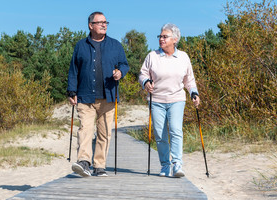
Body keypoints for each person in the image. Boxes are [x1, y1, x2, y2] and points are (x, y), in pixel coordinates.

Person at [67, 11, 129, 177]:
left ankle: (99, 166)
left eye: (105, 22)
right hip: (85, 97)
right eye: (100, 22)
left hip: (108, 97)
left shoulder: (115, 45)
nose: (104, 25)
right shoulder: (81, 46)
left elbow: (124, 64)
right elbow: (73, 70)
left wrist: (120, 73)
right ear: (90, 25)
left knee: (104, 133)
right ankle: (84, 162)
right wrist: (71, 90)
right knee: (85, 129)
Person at [139, 23, 200, 178]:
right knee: (160, 134)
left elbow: (189, 80)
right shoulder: (152, 56)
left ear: (175, 39)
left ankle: (177, 163)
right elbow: (142, 74)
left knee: (175, 130)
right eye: (160, 36)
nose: (161, 39)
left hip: (177, 99)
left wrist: (194, 93)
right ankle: (165, 165)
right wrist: (146, 82)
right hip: (157, 99)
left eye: (165, 37)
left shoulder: (183, 57)